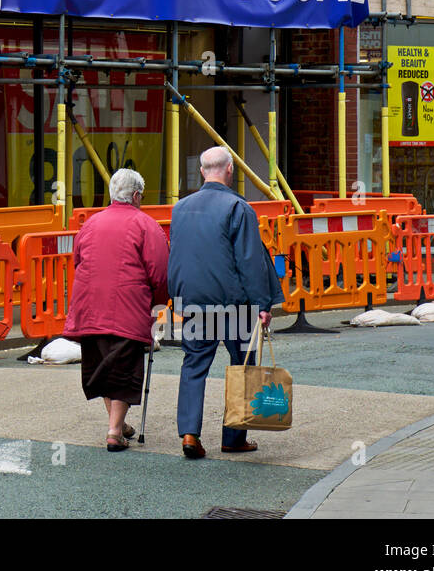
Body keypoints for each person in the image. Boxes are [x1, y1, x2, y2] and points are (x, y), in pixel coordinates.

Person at [167, 146, 284, 460]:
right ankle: (233, 437)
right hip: (234, 305)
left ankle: (190, 433)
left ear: (203, 171)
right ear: (230, 170)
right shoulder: (238, 208)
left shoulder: (180, 208)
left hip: (193, 302)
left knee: (193, 366)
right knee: (241, 367)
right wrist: (262, 304)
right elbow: (250, 261)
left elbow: (177, 254)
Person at [62, 168, 169, 452]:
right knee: (124, 369)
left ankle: (118, 423)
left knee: (102, 368)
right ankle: (113, 431)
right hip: (127, 308)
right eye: (141, 196)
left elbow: (78, 261)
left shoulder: (89, 224)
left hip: (90, 307)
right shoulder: (146, 225)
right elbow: (159, 272)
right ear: (135, 195)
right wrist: (158, 302)